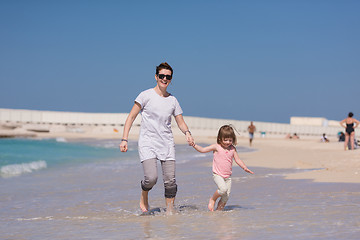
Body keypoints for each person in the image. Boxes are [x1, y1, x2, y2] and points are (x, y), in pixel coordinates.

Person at [119, 62, 194, 214]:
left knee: (170, 182)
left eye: (168, 77)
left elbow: (180, 121)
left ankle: (170, 211)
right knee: (151, 178)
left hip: (166, 143)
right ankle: (144, 194)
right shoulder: (145, 95)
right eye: (161, 76)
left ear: (171, 79)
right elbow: (131, 117)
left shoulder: (173, 100)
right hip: (148, 142)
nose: (164, 79)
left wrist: (187, 133)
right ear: (156, 77)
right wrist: (124, 139)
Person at [191, 125, 254, 211]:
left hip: (228, 177)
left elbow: (237, 159)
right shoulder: (216, 147)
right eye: (225, 140)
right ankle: (212, 199)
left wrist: (244, 167)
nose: (228, 142)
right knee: (223, 189)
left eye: (230, 140)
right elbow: (203, 150)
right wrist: (194, 145)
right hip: (218, 175)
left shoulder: (233, 149)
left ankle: (218, 212)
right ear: (220, 139)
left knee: (225, 197)